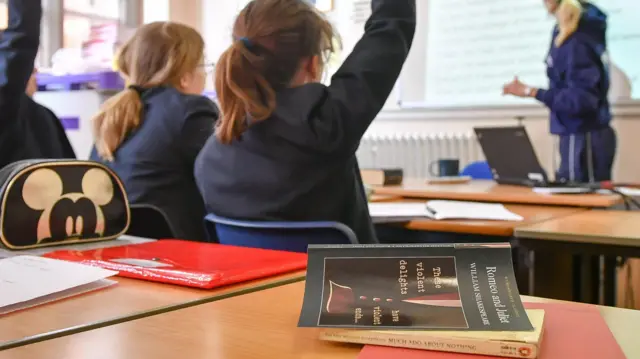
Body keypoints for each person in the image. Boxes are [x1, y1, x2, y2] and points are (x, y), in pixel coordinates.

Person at [194, 0, 416, 243]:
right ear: (312, 64)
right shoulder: (326, 123)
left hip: (256, 282)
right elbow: (390, 30)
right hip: (348, 281)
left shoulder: (210, 158)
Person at [90, 22, 218, 242]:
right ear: (185, 76)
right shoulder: (192, 109)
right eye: (203, 65)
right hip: (178, 252)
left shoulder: (112, 115)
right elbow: (220, 182)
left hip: (118, 247)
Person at [503, 0, 616, 183]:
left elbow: (580, 100)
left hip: (583, 135)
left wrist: (533, 92)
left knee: (579, 203)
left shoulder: (577, 39)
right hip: (576, 134)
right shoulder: (570, 31)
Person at [0, 0, 75, 169]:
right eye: (31, 69)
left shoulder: (43, 114)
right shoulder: (18, 109)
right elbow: (20, 42)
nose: (35, 73)